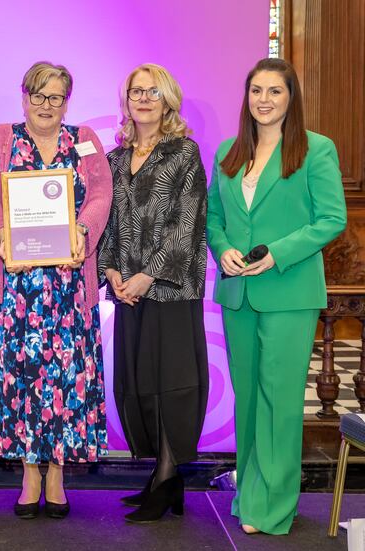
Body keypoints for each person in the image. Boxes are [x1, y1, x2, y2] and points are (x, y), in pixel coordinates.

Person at [206, 57, 346, 535]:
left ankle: (276, 506)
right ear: (246, 97)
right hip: (238, 294)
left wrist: (279, 253)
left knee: (279, 401)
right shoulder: (229, 150)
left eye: (275, 92)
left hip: (288, 291)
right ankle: (251, 497)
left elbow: (331, 219)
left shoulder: (315, 150)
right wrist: (222, 250)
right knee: (247, 400)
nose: (264, 100)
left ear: (291, 99)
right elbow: (214, 220)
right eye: (256, 91)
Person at [0, 61, 112, 519]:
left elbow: (101, 195)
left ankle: (55, 471)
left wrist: (85, 233)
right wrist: (0, 237)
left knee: (66, 379)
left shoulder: (86, 139)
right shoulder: (1, 136)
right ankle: (28, 473)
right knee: (22, 379)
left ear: (67, 102)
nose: (46, 106)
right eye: (38, 96)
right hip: (17, 286)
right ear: (24, 97)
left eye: (55, 97)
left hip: (71, 285)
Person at [98, 63, 208, 523]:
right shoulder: (114, 158)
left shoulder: (184, 153)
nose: (143, 99)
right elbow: (104, 221)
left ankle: (167, 477)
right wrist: (110, 270)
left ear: (168, 101)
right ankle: (164, 478)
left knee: (171, 385)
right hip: (128, 291)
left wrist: (149, 275)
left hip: (171, 290)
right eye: (135, 91)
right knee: (140, 382)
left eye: (152, 92)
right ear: (126, 100)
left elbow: (188, 225)